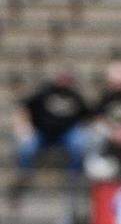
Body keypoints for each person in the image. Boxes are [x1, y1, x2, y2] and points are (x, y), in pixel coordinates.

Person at [10, 69, 89, 201]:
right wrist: (23, 126)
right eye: (62, 79)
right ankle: (24, 174)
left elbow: (88, 116)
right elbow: (24, 108)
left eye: (67, 79)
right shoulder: (44, 93)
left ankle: (74, 176)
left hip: (65, 135)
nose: (64, 82)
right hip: (42, 133)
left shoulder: (75, 96)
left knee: (79, 143)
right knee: (27, 147)